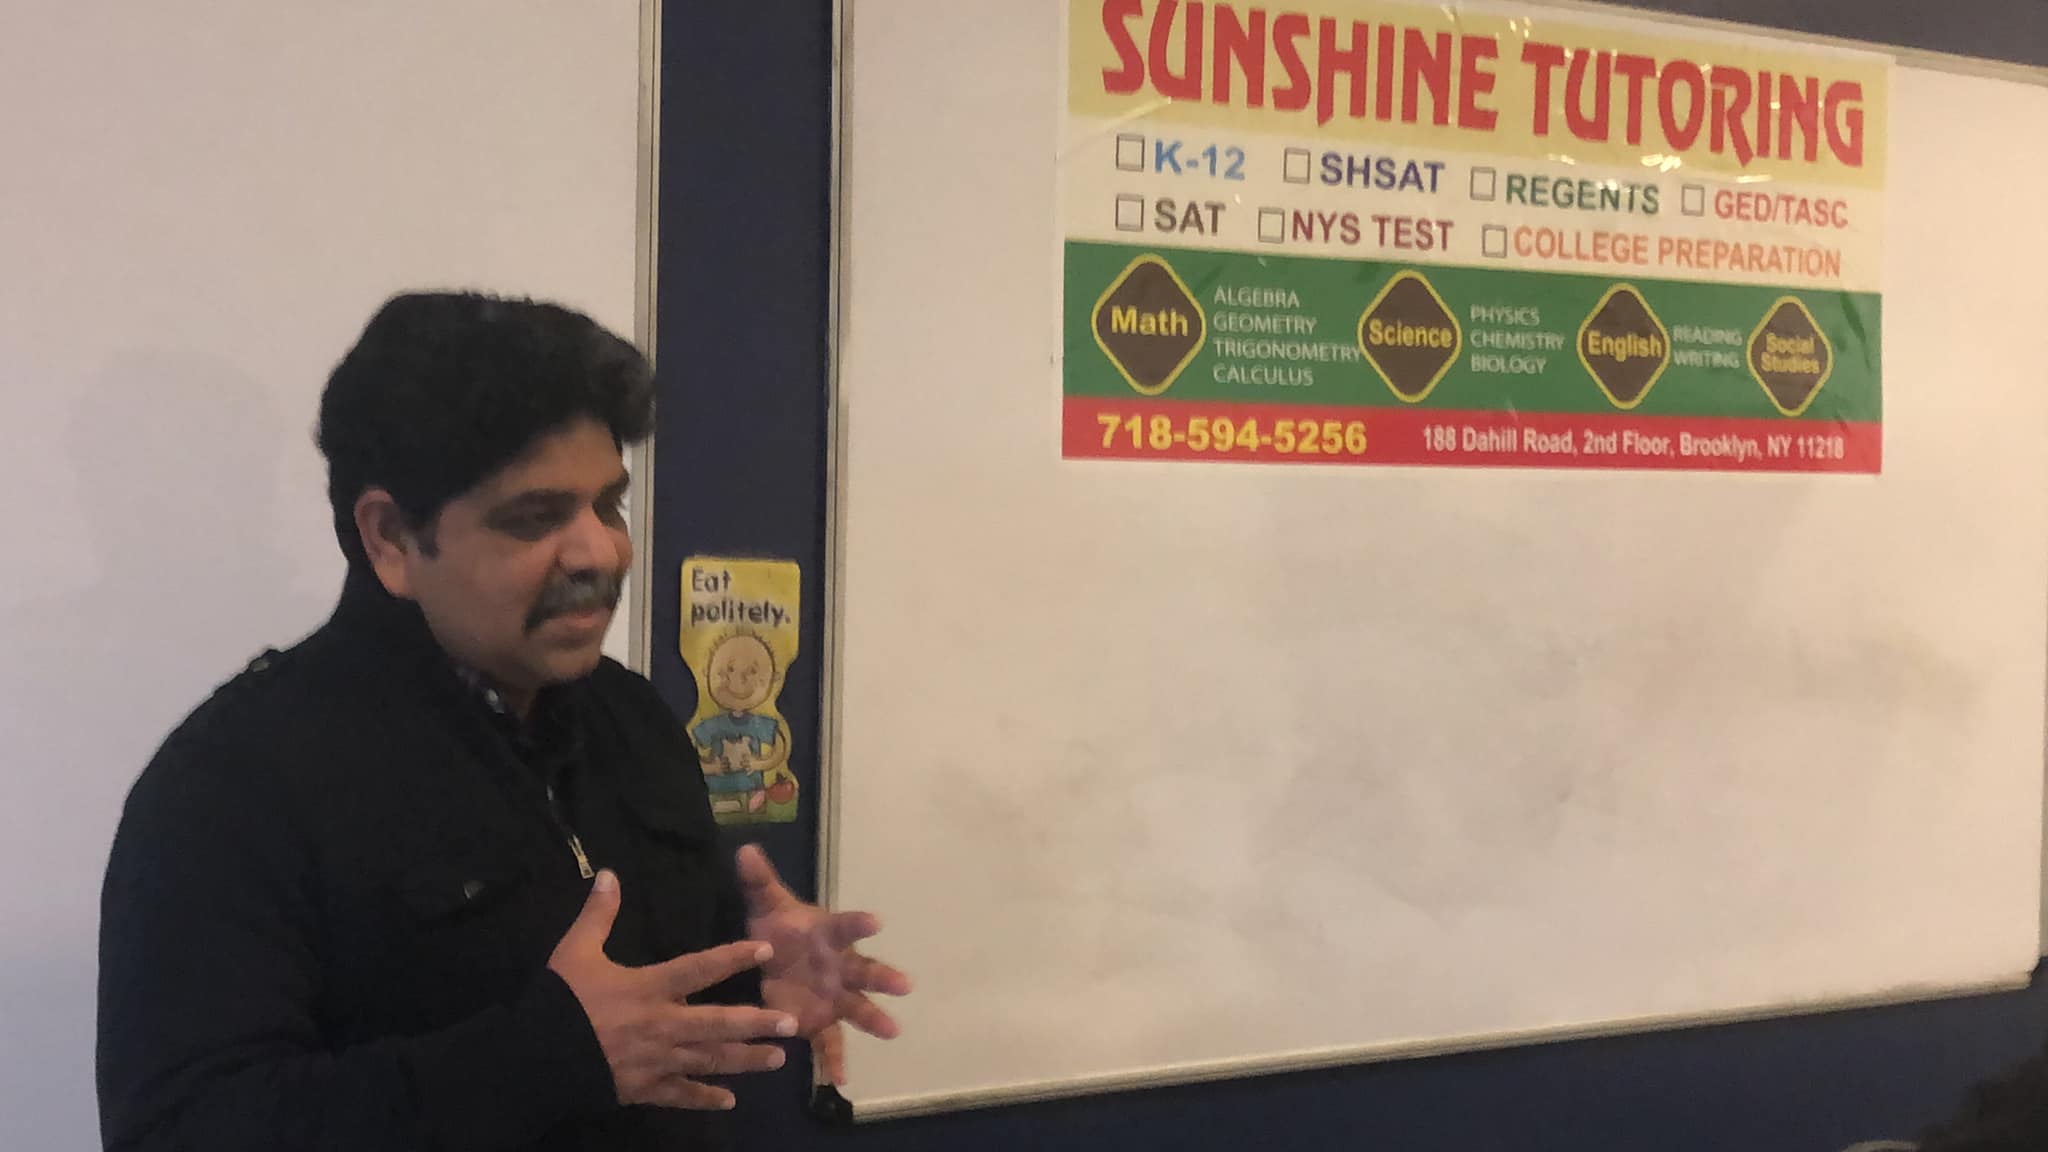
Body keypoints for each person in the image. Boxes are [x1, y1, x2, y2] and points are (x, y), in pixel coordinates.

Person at [95, 292, 909, 1151]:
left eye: (610, 505)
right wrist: (550, 1055)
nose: (600, 551)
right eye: (535, 518)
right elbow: (180, 1130)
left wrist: (749, 976)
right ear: (390, 538)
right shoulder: (232, 781)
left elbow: (644, 1025)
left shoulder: (632, 720)